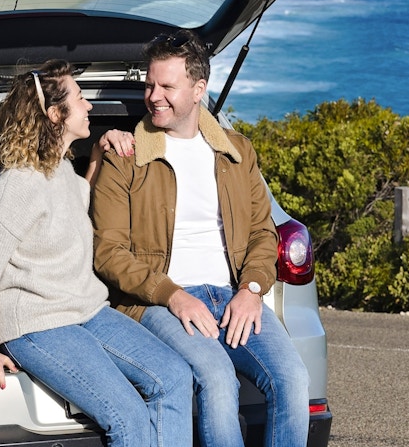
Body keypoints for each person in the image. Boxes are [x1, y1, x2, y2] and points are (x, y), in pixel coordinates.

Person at [91, 31, 310, 447]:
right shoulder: (127, 157)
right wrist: (173, 295)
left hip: (233, 295)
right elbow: (108, 253)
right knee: (217, 378)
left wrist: (252, 288)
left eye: (167, 86)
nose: (154, 96)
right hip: (157, 301)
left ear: (198, 90)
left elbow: (264, 232)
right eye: (150, 84)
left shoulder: (237, 151)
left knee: (293, 379)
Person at [0, 59, 192, 447]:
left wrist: (101, 156)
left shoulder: (60, 172)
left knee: (174, 378)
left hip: (85, 310)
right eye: (81, 98)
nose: (89, 107)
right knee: (129, 417)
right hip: (38, 324)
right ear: (55, 114)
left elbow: (75, 202)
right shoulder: (14, 189)